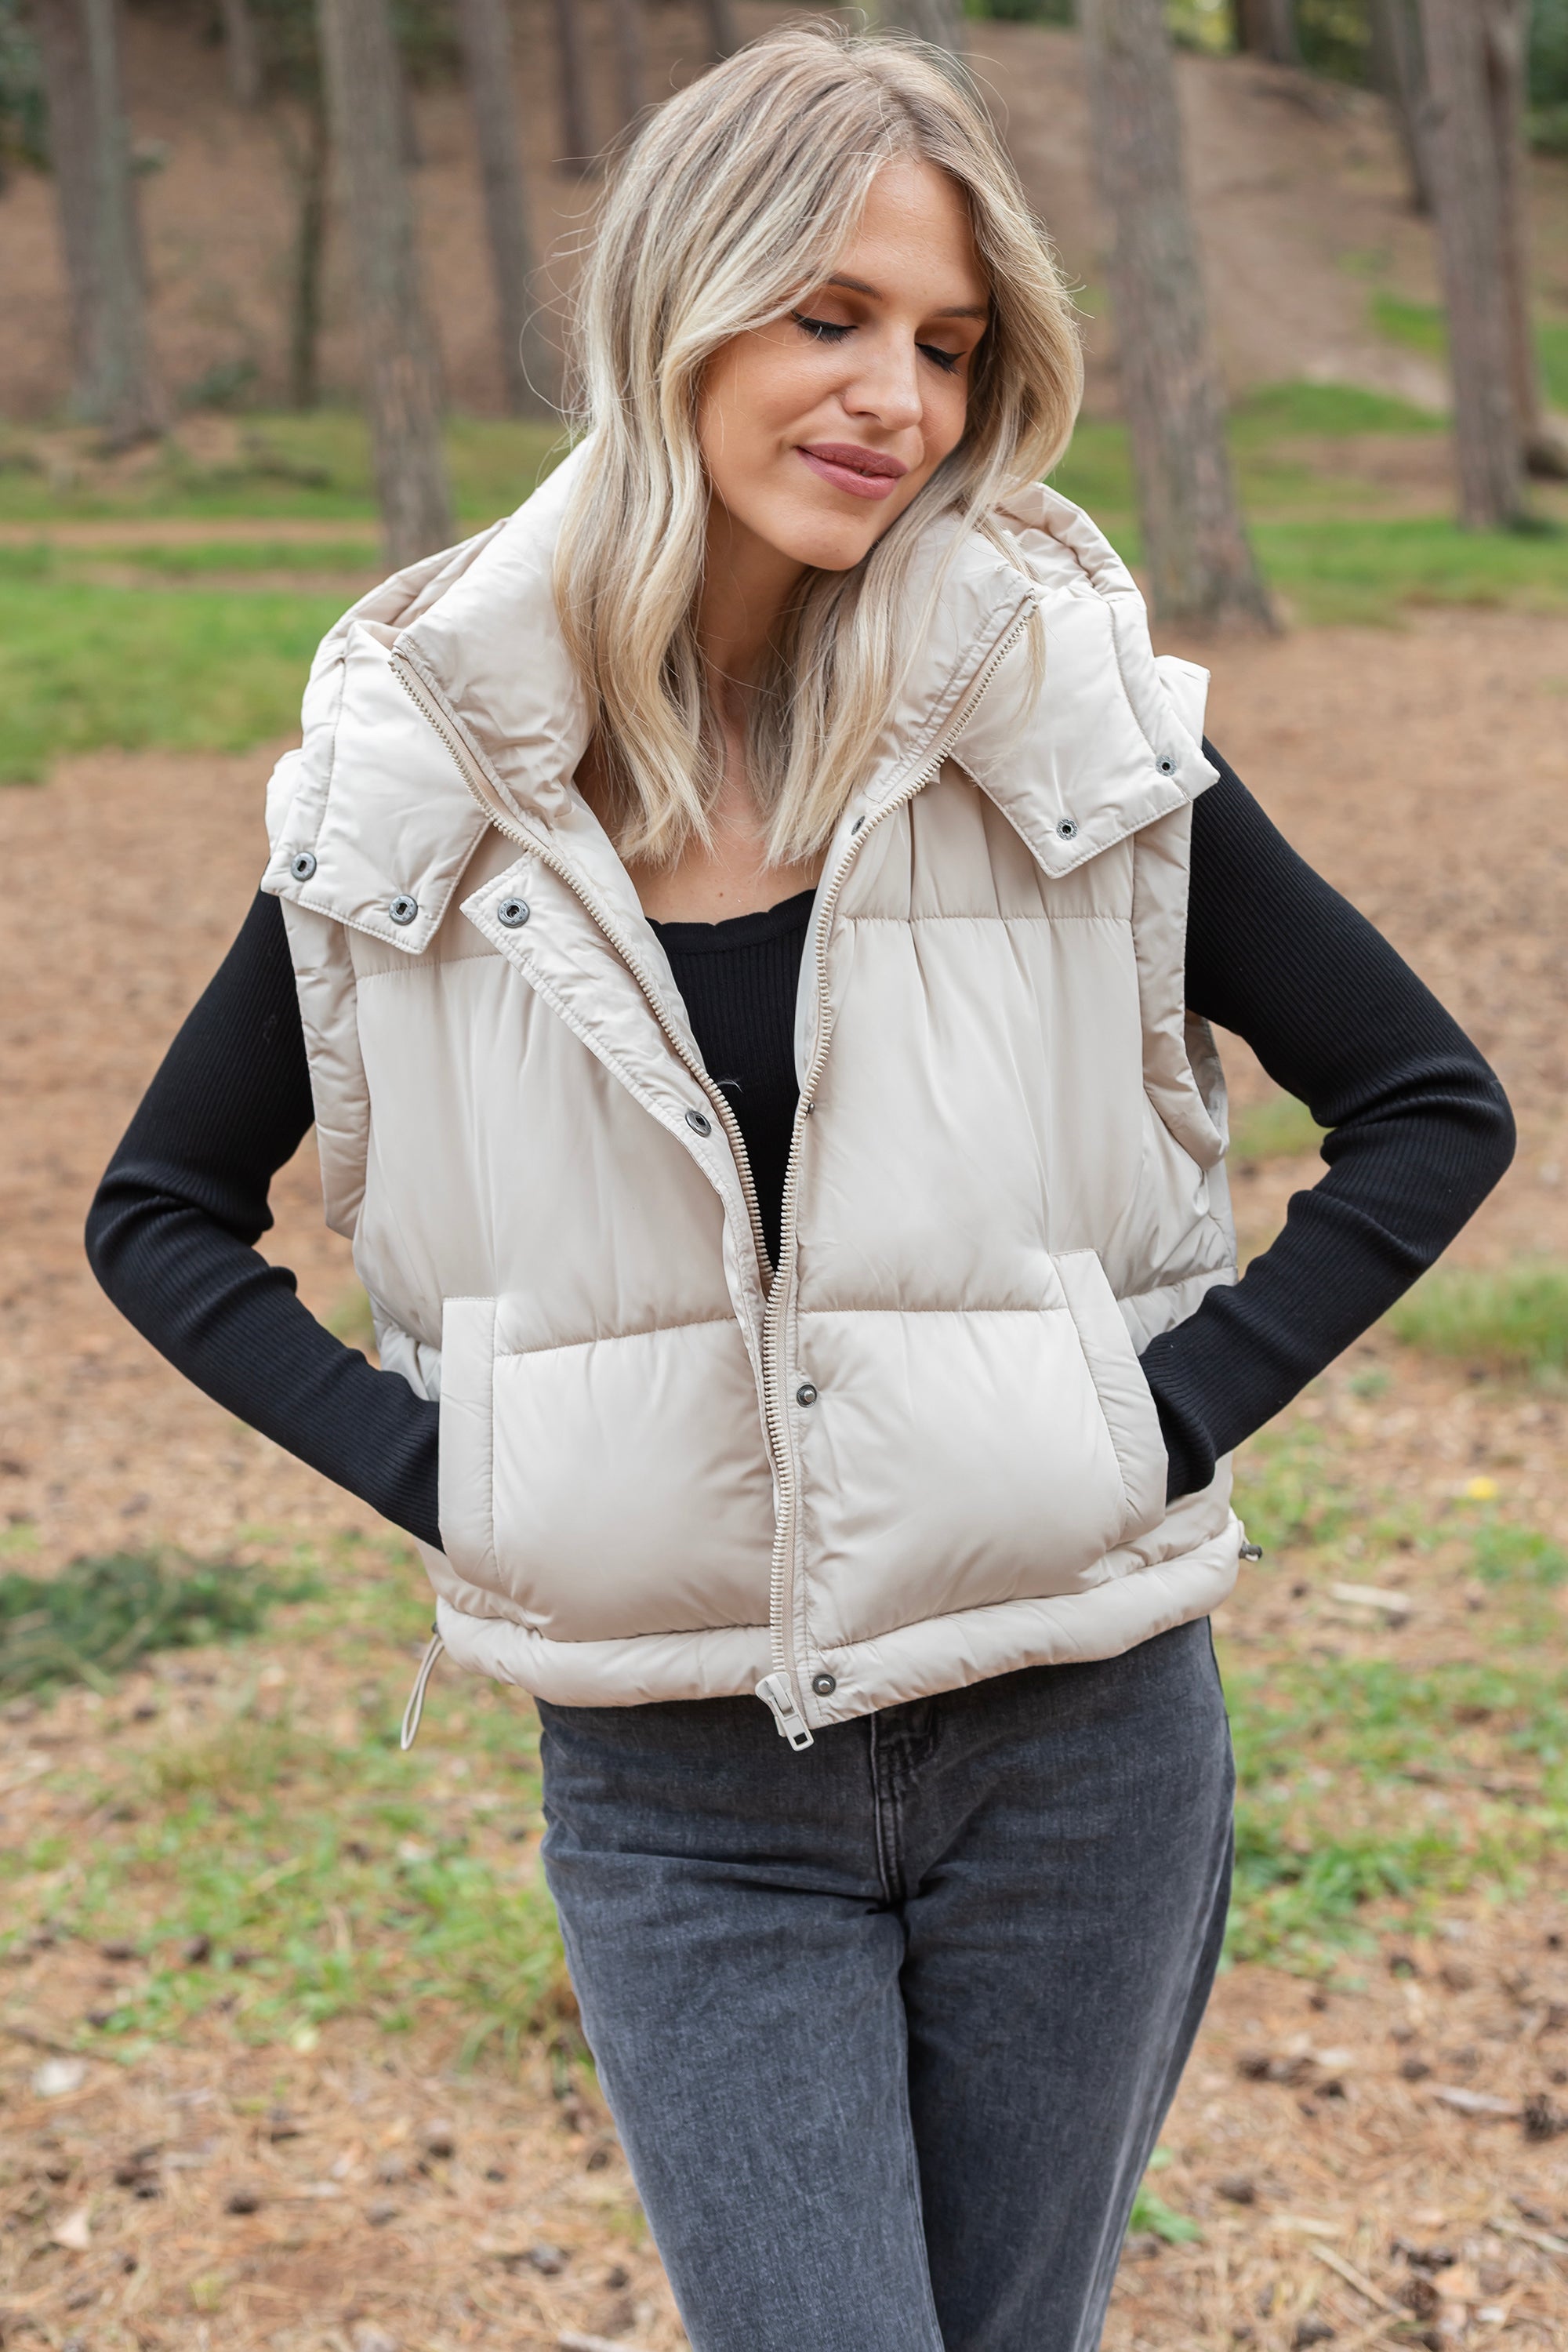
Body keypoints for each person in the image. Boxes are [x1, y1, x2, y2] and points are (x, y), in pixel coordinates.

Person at [87, 27, 1514, 2350]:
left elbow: (1429, 1106)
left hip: (1081, 1746)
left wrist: (1147, 1423)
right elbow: (159, 1211)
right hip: (678, 1793)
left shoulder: (1049, 704)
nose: (898, 400)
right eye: (830, 316)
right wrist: (467, 1481)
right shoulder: (428, 757)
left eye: (946, 344)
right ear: (675, 309)